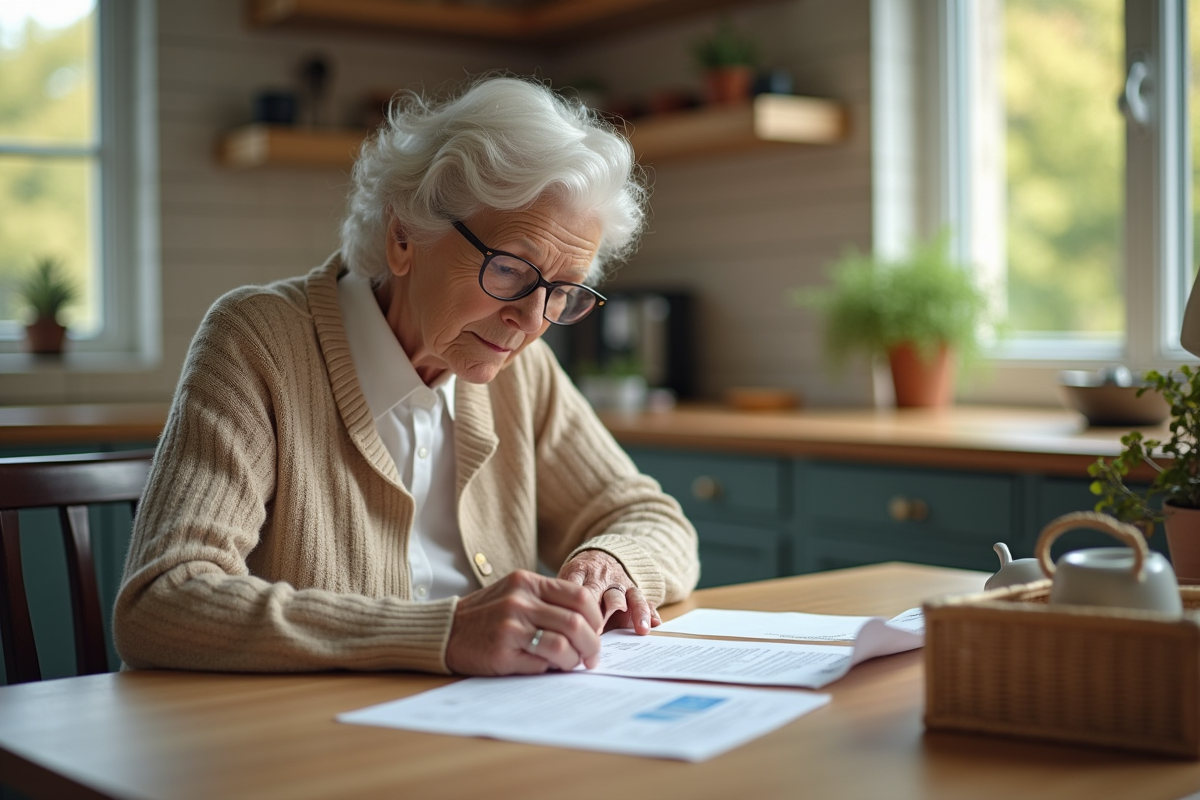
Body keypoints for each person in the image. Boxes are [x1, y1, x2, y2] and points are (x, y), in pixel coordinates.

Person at [113, 76, 700, 677]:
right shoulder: (257, 342)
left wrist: (608, 562)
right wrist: (439, 633)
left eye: (563, 291)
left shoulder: (521, 374)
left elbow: (654, 520)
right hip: (312, 743)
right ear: (403, 237)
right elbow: (163, 598)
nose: (529, 319)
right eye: (509, 269)